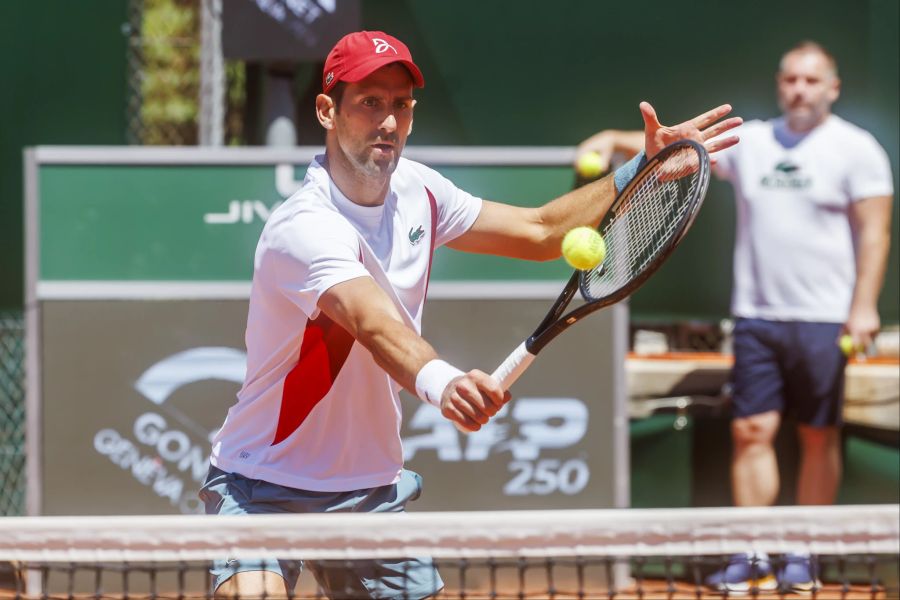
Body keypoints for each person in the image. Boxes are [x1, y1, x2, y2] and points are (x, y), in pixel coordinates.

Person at [200, 30, 742, 600]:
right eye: (370, 102)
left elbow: (539, 231)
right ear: (327, 111)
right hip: (262, 479)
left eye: (400, 105)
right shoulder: (303, 226)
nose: (388, 120)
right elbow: (372, 323)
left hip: (368, 486)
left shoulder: (420, 190)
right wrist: (443, 382)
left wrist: (642, 168)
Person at [577, 40, 894, 595]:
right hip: (756, 318)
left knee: (819, 435)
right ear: (780, 84)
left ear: (832, 88)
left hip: (825, 321)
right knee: (752, 430)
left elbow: (875, 232)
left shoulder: (858, 149)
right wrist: (612, 141)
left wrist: (863, 306)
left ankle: (806, 552)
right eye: (790, 79)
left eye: (811, 81)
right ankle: (753, 552)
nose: (799, 89)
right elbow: (680, 148)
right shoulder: (756, 142)